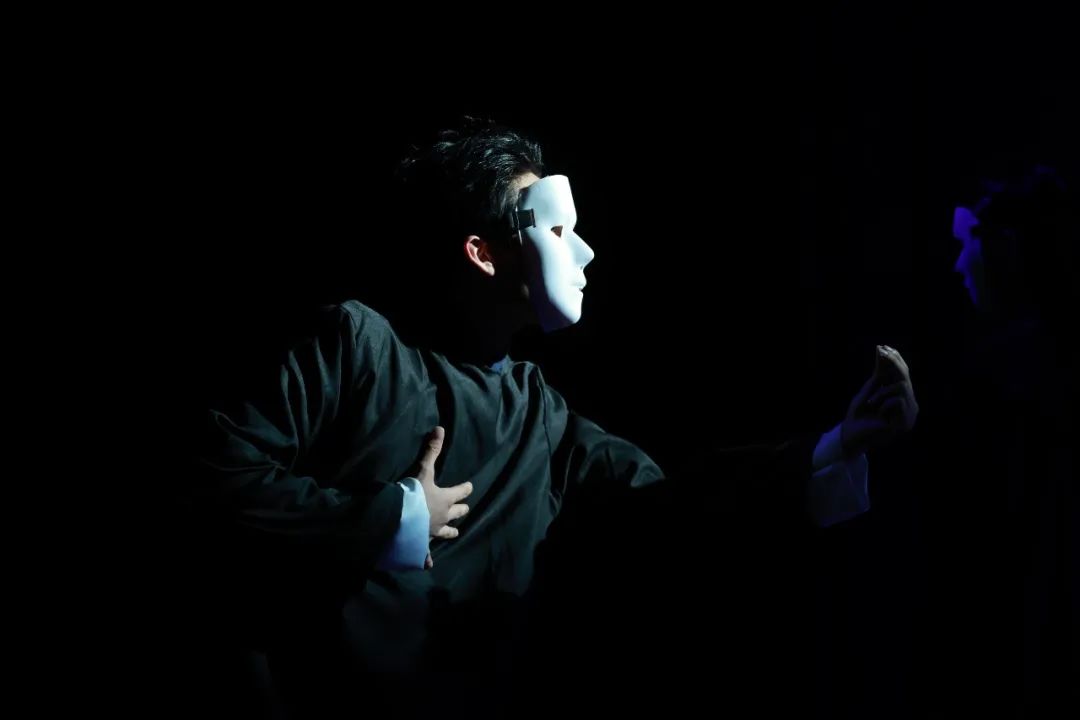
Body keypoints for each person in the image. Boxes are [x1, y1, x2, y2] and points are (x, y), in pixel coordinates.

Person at [187, 118, 919, 714]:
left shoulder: (539, 413)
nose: (585, 253)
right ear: (481, 252)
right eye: (558, 231)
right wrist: (391, 518)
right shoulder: (356, 345)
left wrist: (832, 447)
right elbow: (216, 476)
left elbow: (669, 499)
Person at [917, 163, 1073, 716]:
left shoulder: (1004, 378)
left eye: (971, 245)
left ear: (1009, 251)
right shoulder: (1019, 368)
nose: (959, 264)